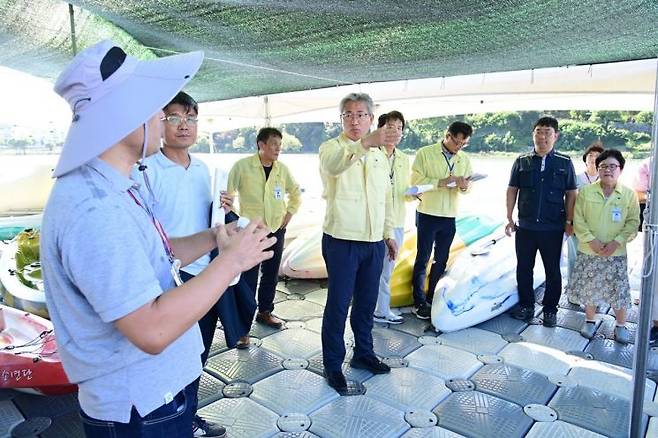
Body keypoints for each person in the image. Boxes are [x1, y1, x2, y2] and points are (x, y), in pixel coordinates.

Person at [41, 40, 275, 437]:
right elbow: (150, 329)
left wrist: (215, 239)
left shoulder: (121, 185)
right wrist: (231, 263)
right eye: (155, 109)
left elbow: (162, 254)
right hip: (140, 407)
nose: (160, 118)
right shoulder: (94, 208)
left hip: (158, 393)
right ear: (122, 115)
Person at [132, 91, 237, 437]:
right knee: (169, 355)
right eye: (174, 117)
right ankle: (170, 418)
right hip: (169, 278)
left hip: (205, 274)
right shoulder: (146, 170)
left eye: (191, 118)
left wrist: (224, 205)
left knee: (197, 353)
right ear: (159, 123)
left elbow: (210, 221)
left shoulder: (204, 168)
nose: (184, 125)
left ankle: (189, 415)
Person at [319, 93, 399, 391]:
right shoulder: (331, 148)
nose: (355, 120)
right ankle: (332, 365)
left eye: (361, 114)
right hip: (342, 241)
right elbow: (335, 167)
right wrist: (365, 144)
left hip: (373, 241)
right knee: (338, 305)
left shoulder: (380, 155)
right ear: (341, 119)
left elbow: (385, 198)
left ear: (370, 118)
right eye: (348, 115)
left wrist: (388, 234)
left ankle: (363, 354)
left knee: (366, 303)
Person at [227, 127, 302, 340]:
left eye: (280, 144)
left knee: (271, 274)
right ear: (261, 145)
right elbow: (227, 197)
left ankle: (265, 312)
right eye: (274, 144)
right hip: (250, 233)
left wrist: (289, 214)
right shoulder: (242, 167)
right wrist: (238, 223)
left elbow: (295, 193)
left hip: (275, 230)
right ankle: (242, 327)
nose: (278, 148)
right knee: (248, 279)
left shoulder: (282, 169)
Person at [505, 116, 577, 328]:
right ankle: (527, 306)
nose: (542, 136)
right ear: (533, 134)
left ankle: (550, 310)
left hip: (553, 228)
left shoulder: (565, 162)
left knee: (552, 270)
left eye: (547, 132)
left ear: (556, 136)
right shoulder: (522, 161)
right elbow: (512, 190)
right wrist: (509, 217)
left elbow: (571, 194)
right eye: (538, 131)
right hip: (525, 227)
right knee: (524, 268)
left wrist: (569, 221)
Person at [566, 149, 639, 343]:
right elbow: (578, 219)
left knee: (618, 289)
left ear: (620, 169)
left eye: (612, 166)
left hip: (616, 251)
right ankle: (590, 320)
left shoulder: (629, 195)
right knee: (589, 288)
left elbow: (633, 222)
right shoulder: (586, 191)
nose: (607, 170)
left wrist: (617, 241)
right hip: (589, 250)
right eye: (603, 166)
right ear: (597, 169)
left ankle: (621, 325)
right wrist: (591, 240)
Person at [410, 122, 473, 319]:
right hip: (428, 213)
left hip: (449, 216)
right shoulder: (425, 153)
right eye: (456, 142)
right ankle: (418, 302)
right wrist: (441, 182)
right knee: (422, 258)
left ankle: (432, 297)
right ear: (447, 135)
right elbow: (415, 184)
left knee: (441, 259)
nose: (459, 147)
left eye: (464, 144)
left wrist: (463, 186)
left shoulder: (464, 158)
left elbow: (468, 188)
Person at [374, 111, 409, 325]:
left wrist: (413, 193)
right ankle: (378, 309)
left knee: (387, 269)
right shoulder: (371, 154)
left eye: (399, 128)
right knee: (373, 270)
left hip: (396, 221)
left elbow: (402, 190)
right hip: (373, 223)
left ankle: (380, 309)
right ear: (380, 129)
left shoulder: (404, 159)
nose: (395, 132)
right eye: (390, 127)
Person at [566, 142, 604, 295]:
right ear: (585, 159)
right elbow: (569, 200)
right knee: (575, 258)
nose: (593, 158)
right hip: (577, 225)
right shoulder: (576, 178)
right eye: (590, 155)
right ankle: (574, 292)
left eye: (597, 156)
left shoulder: (607, 179)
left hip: (600, 227)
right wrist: (569, 222)